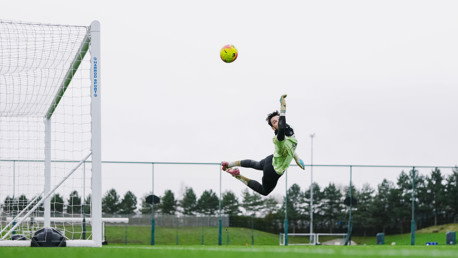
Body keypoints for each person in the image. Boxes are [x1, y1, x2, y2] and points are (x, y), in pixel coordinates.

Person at [222, 94, 305, 196]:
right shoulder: (279, 139)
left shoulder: (290, 130)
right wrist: (283, 108)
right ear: (273, 128)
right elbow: (282, 128)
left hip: (271, 159)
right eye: (274, 122)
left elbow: (290, 148)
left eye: (278, 119)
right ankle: (237, 175)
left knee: (256, 164)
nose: (278, 122)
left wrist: (297, 158)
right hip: (273, 170)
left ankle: (229, 164)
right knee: (264, 191)